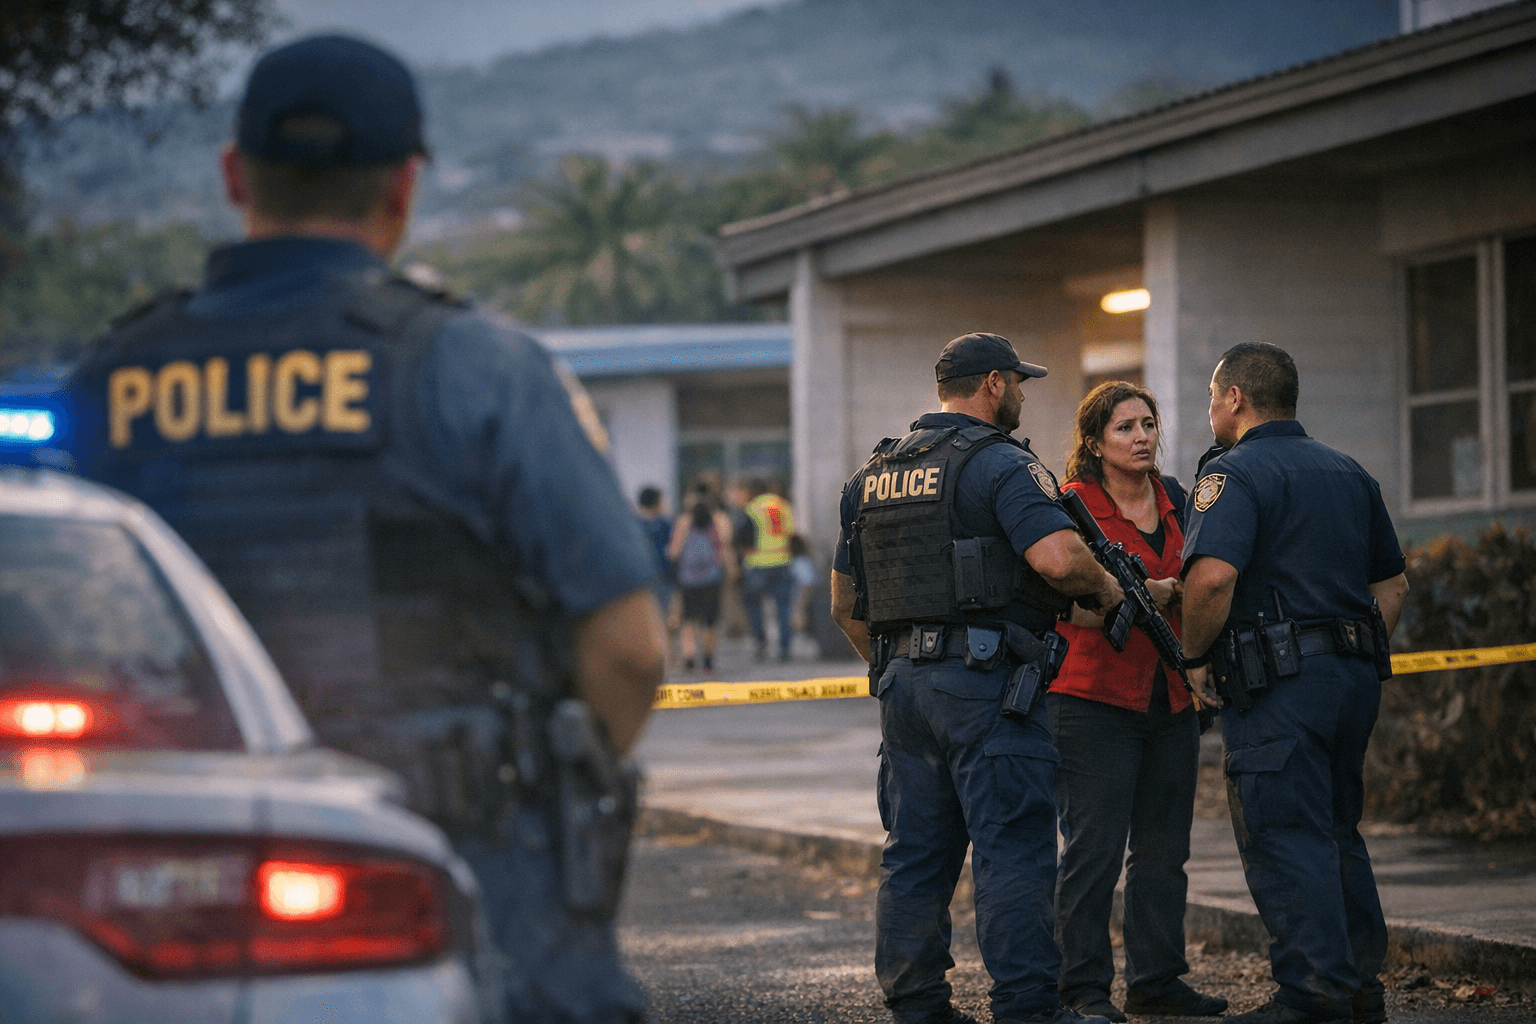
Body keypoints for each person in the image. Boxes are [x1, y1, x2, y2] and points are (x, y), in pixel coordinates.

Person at [65, 35, 665, 1024]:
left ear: (233, 175)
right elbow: (629, 649)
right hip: (448, 865)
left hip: (165, 880)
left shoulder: (108, 380)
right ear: (404, 187)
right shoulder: (478, 371)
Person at [831, 331, 1126, 1024]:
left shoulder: (870, 475)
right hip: (989, 687)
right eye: (1018, 382)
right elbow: (1058, 560)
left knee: (914, 855)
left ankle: (918, 1004)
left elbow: (846, 608)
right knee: (1014, 850)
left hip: (902, 687)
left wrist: (903, 664)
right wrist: (1107, 587)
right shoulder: (999, 465)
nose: (1022, 394)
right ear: (993, 384)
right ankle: (1027, 1008)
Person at [1180, 343, 1410, 1024]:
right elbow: (1392, 585)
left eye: (1212, 396)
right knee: (1339, 830)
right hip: (1351, 680)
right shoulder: (1348, 472)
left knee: (1287, 832)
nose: (1211, 408)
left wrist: (1194, 658)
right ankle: (1358, 986)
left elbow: (1213, 578)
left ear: (1235, 398)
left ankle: (1313, 993)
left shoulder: (1232, 474)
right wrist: (1352, 654)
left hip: (1278, 688)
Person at [1047, 382, 1226, 1022]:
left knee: (1162, 851)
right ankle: (1084, 989)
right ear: (1093, 442)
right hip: (1090, 700)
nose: (1142, 436)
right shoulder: (1071, 506)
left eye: (1148, 424)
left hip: (1170, 698)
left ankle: (1157, 979)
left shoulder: (1178, 498)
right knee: (1093, 852)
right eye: (1124, 427)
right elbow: (1050, 599)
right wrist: (1136, 595)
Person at [668, 495, 732, 672]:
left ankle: (689, 654)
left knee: (688, 619)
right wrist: (732, 570)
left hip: (688, 579)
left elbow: (674, 552)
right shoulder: (716, 524)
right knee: (710, 621)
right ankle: (708, 660)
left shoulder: (684, 523)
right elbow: (724, 548)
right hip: (712, 579)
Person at [737, 476, 797, 661]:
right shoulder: (783, 505)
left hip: (758, 563)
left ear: (753, 491)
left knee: (754, 605)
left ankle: (761, 642)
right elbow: (792, 534)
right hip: (783, 560)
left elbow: (743, 537)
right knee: (783, 607)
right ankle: (785, 647)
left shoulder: (752, 508)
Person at [636, 484, 678, 655]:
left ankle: (649, 654)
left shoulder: (634, 523)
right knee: (663, 616)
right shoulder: (664, 523)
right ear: (657, 502)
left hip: (640, 575)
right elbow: (674, 548)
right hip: (662, 573)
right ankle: (666, 656)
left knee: (645, 618)